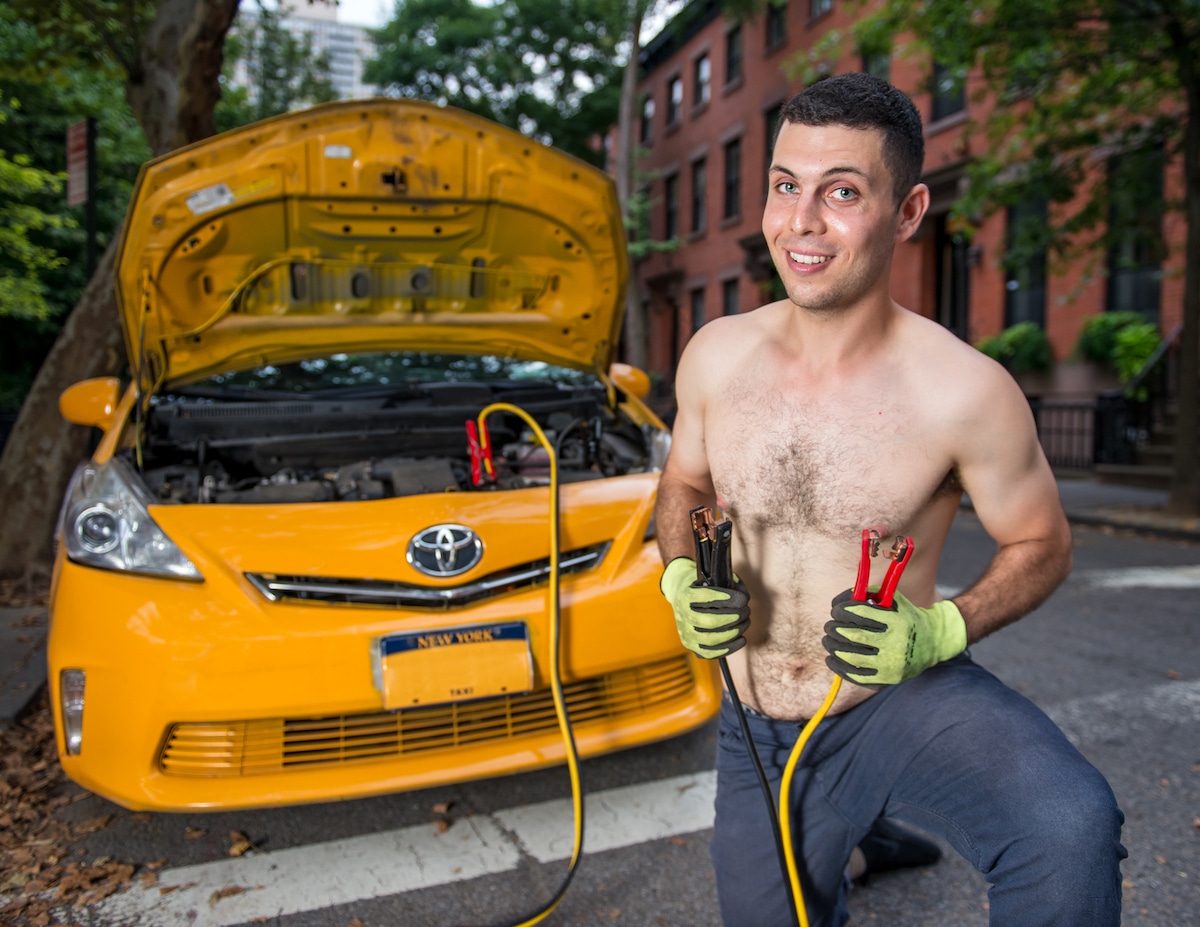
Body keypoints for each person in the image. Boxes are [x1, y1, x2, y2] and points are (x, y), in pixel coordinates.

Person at [655, 72, 1125, 927]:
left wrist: (944, 628)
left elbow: (1043, 542)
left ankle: (864, 820)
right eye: (785, 186)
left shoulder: (966, 391)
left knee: (1068, 828)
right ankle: (864, 836)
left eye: (842, 192)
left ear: (907, 212)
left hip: (894, 704)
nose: (801, 222)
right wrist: (681, 576)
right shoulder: (714, 355)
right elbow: (684, 483)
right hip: (755, 719)